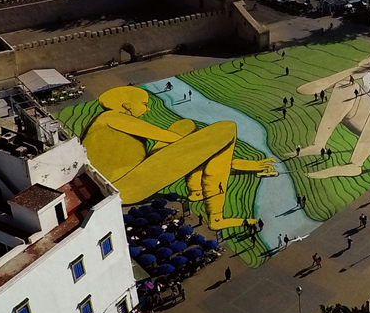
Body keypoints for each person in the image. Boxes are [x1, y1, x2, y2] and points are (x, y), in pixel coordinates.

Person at [83, 86, 277, 230]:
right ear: (126, 104)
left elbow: (193, 148)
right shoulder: (112, 118)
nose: (148, 109)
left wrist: (198, 147)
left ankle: (196, 192)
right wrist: (200, 143)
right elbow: (168, 137)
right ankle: (217, 218)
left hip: (124, 177)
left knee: (185, 125)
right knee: (227, 128)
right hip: (124, 186)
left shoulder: (104, 120)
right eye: (144, 104)